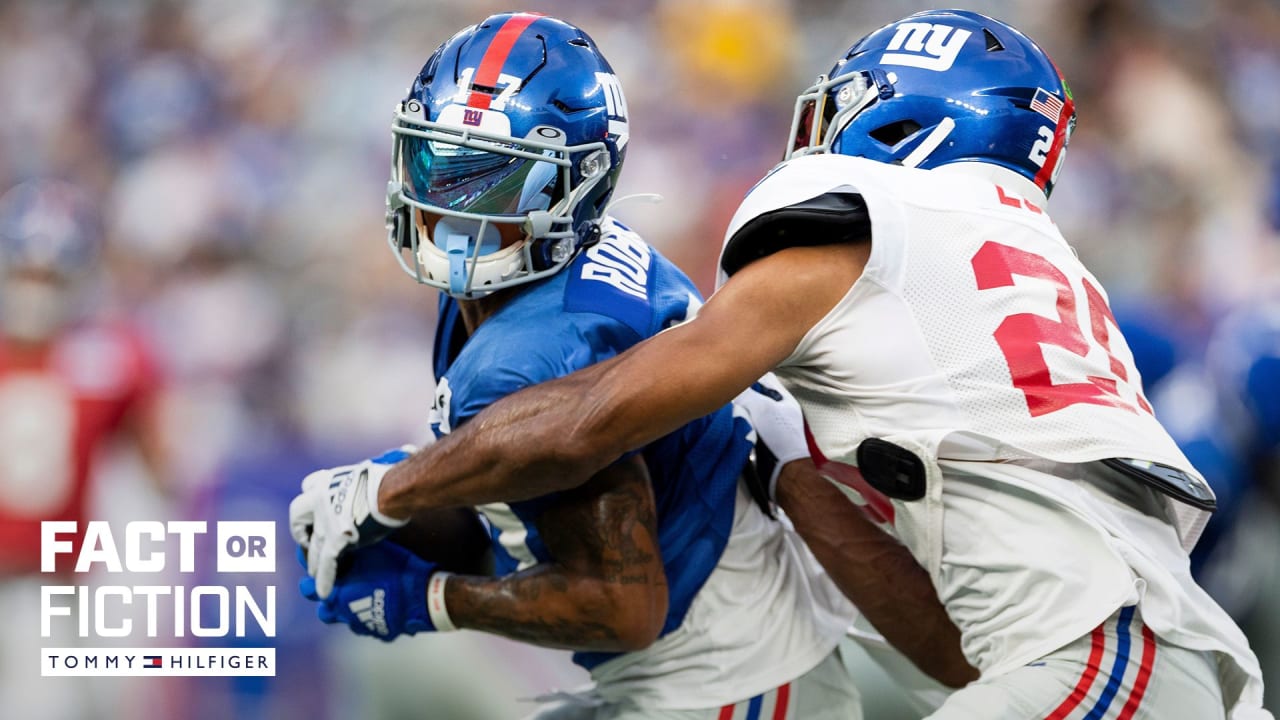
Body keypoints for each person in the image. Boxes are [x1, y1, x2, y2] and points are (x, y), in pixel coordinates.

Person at [296, 8, 1277, 718]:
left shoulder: (862, 212)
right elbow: (945, 648)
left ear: (898, 123)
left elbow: (589, 423)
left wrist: (385, 495)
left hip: (1098, 657)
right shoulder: (992, 295)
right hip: (1125, 658)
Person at [290, 13, 970, 718]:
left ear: (573, 186)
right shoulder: (579, 260)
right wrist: (397, 501)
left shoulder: (522, 358)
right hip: (754, 644)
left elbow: (623, 606)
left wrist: (430, 600)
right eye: (436, 165)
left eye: (492, 183)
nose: (448, 208)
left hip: (720, 683)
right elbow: (532, 501)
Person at [0, 179, 165, 719]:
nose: (37, 287)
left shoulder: (109, 355)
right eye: (28, 270)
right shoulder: (110, 355)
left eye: (51, 274)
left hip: (65, 585)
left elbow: (161, 470)